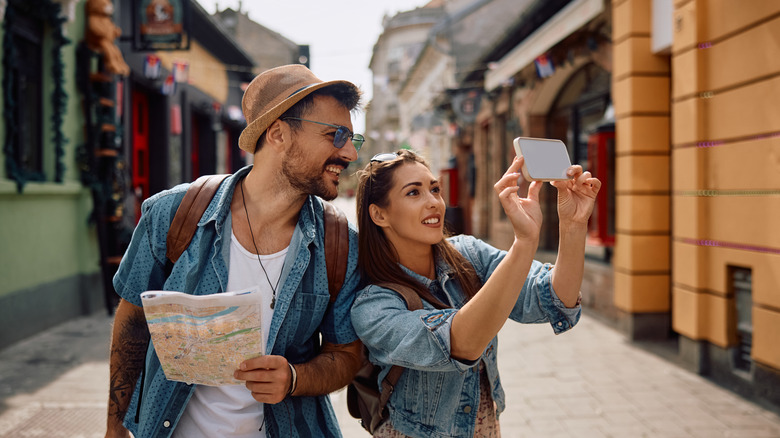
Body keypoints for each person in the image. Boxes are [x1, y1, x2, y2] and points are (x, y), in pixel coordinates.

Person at [106, 64, 366, 438]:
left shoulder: (340, 242)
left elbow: (346, 353)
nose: (348, 154)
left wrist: (295, 378)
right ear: (278, 133)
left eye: (351, 140)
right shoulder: (174, 215)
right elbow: (132, 325)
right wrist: (114, 428)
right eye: (336, 135)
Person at [350, 149, 601, 437]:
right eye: (413, 193)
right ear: (379, 214)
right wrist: (524, 242)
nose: (433, 202)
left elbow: (554, 299)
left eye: (434, 189)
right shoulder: (373, 304)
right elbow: (461, 344)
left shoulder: (469, 254)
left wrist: (573, 225)